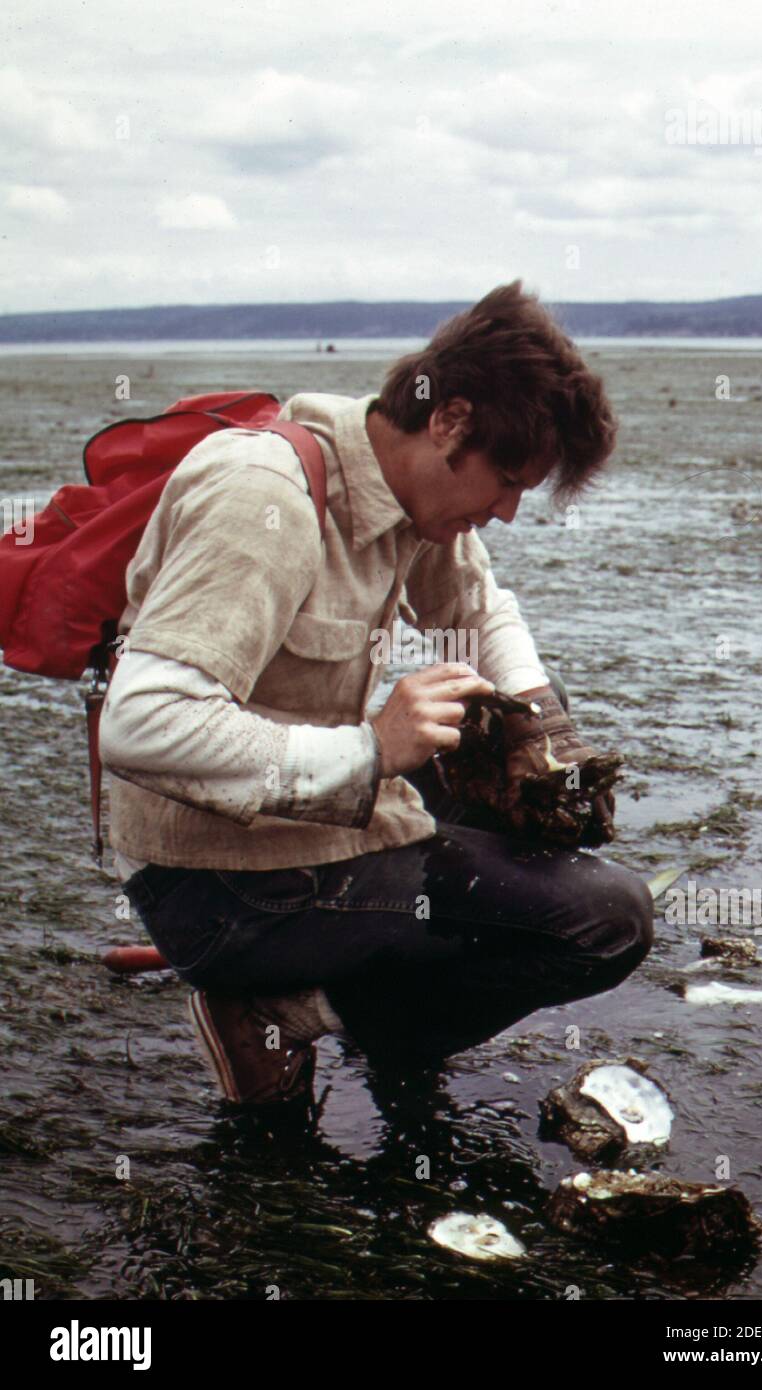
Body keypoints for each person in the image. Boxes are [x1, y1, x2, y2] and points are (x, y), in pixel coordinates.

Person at [100, 280, 653, 1109]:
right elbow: (138, 725)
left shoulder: (403, 489)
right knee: (607, 918)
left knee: (516, 717)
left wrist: (550, 733)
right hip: (218, 887)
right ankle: (286, 1013)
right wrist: (370, 751)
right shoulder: (265, 501)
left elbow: (476, 609)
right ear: (450, 420)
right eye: (505, 481)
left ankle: (395, 1004)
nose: (505, 512)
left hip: (306, 816)